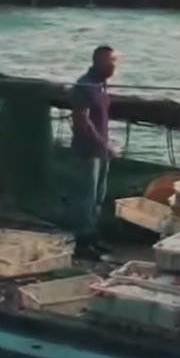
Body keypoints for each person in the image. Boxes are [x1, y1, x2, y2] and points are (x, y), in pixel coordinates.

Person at [67, 45, 117, 241]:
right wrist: (103, 144)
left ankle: (92, 237)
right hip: (87, 151)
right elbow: (81, 120)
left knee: (98, 198)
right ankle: (81, 240)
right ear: (98, 62)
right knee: (85, 198)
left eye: (114, 61)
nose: (113, 66)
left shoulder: (101, 85)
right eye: (110, 61)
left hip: (101, 151)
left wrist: (106, 145)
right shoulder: (84, 85)